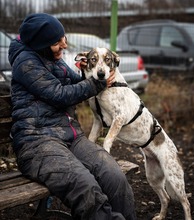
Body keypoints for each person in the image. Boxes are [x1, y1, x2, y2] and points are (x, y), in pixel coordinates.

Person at [8, 13, 136, 220]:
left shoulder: (54, 59)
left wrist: (93, 71)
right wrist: (97, 83)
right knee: (85, 187)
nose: (64, 45)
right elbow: (59, 94)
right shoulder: (26, 63)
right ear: (41, 44)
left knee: (114, 177)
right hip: (37, 143)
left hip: (70, 136)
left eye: (63, 38)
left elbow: (75, 82)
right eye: (57, 42)